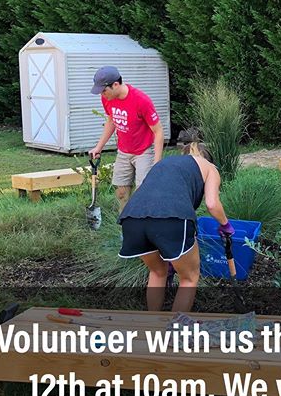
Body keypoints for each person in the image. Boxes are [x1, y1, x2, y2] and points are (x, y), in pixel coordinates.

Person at [118, 143, 234, 313]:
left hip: (132, 218)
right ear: (209, 159)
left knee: (157, 272)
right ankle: (176, 331)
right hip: (171, 217)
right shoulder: (209, 168)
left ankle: (154, 325)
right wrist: (226, 225)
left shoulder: (167, 163)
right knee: (189, 277)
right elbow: (212, 203)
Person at [89, 66, 164, 210]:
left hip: (144, 151)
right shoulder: (107, 99)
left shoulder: (141, 100)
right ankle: (125, 226)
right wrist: (99, 147)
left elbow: (158, 131)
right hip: (123, 151)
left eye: (104, 90)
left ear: (115, 85)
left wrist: (157, 162)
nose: (102, 95)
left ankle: (144, 225)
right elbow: (111, 120)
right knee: (121, 193)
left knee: (144, 192)